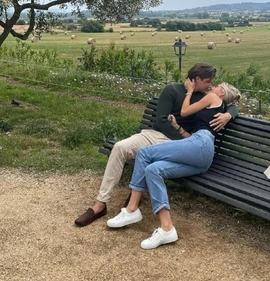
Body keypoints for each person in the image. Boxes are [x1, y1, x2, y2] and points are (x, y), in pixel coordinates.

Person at [74, 63, 239, 227]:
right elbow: (161, 120)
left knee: (149, 158)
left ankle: (133, 203)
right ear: (197, 79)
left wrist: (228, 115)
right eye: (208, 81)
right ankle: (100, 204)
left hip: (182, 144)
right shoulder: (171, 90)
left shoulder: (204, 97)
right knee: (120, 147)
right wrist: (182, 140)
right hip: (156, 136)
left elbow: (231, 103)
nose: (210, 86)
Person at [106, 79, 241, 249]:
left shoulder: (214, 98)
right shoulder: (218, 107)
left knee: (144, 153)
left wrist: (190, 91)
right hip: (200, 152)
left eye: (217, 86)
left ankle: (131, 209)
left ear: (221, 93)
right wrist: (177, 126)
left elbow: (185, 111)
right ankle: (167, 228)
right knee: (153, 170)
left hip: (201, 144)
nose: (212, 87)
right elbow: (191, 137)